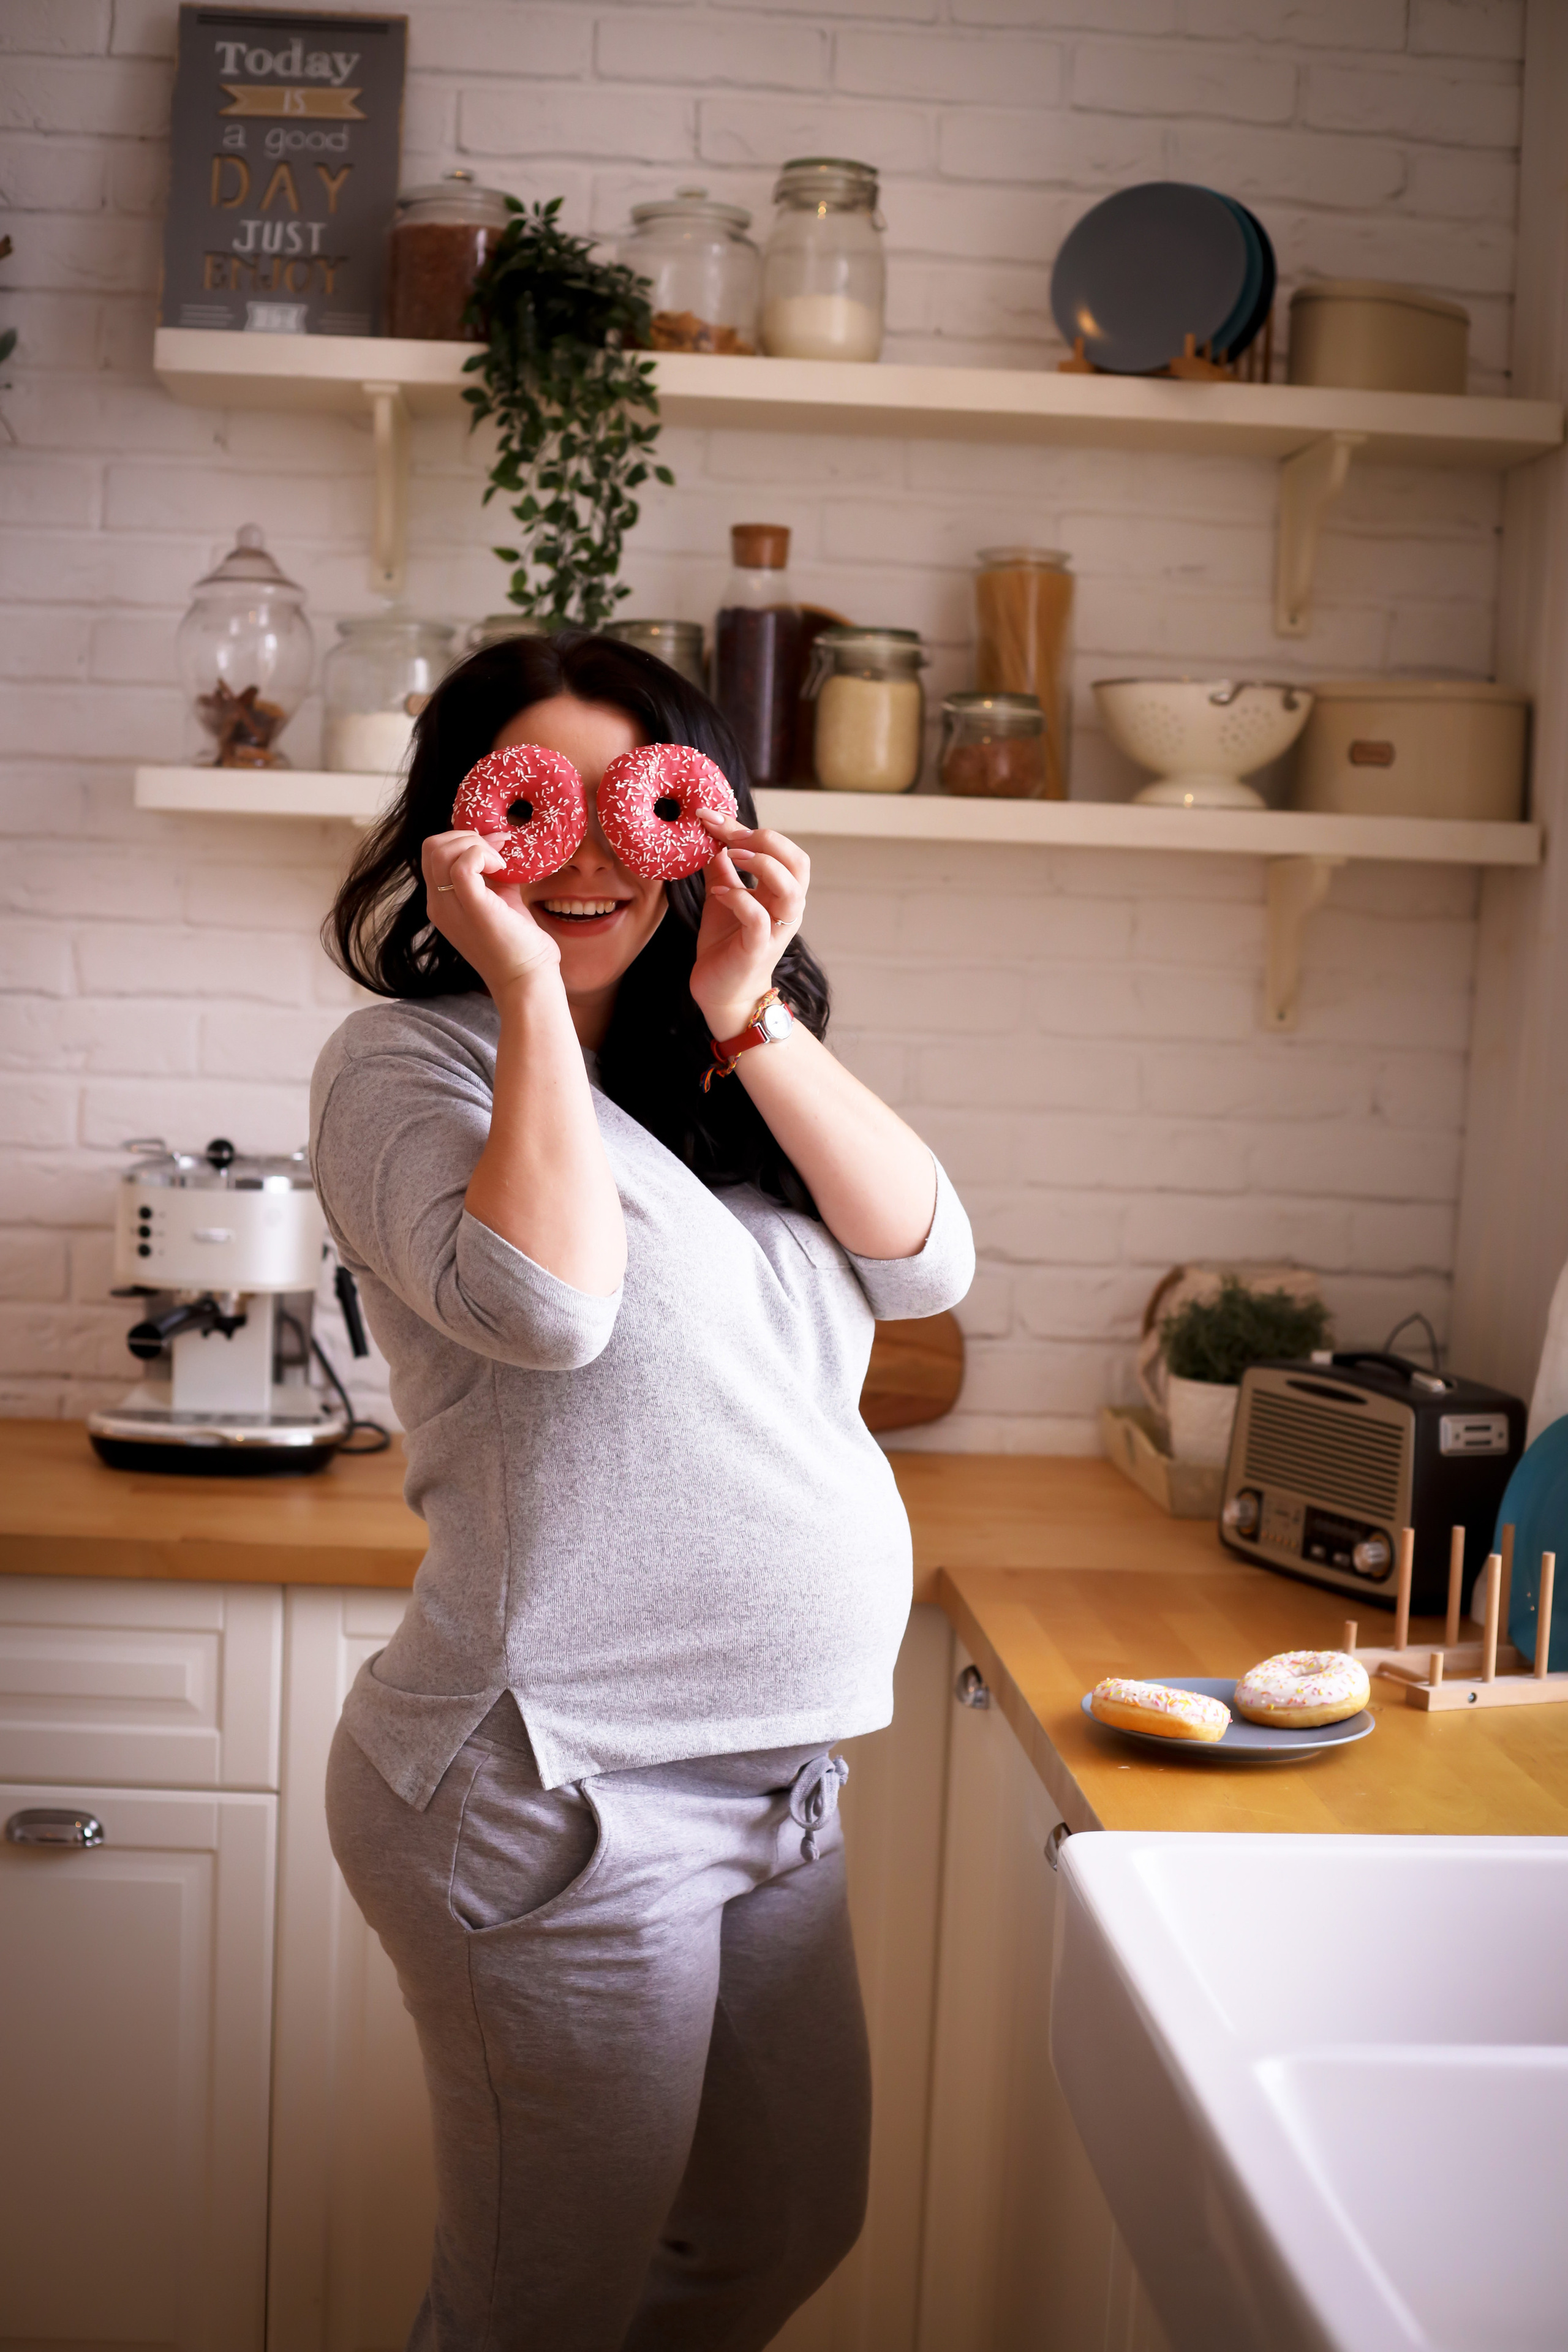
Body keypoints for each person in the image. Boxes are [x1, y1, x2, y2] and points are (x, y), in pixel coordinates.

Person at [313, 630, 974, 2350]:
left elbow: (930, 1261)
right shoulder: (412, 1067)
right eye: (547, 808)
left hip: (777, 1781)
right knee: (541, 2308)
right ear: (462, 827)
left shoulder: (723, 1065)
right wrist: (526, 987)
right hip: (558, 1790)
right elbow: (548, 1308)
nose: (595, 854)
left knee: (773, 2236)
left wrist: (749, 1006)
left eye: (636, 806)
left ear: (702, 823)